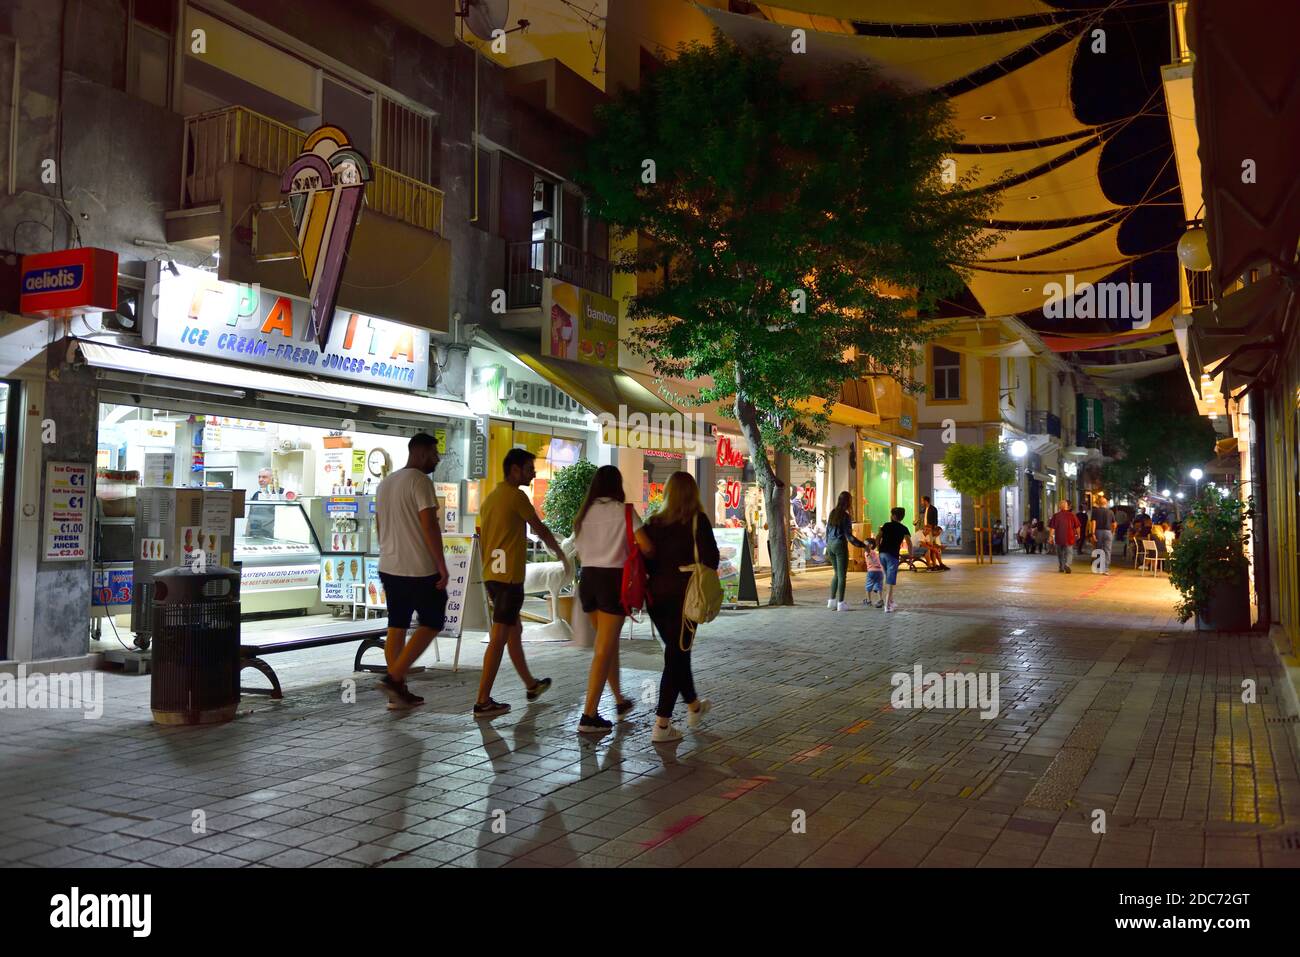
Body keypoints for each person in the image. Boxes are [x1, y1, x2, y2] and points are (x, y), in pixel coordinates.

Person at [474, 448, 570, 718]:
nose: (534, 472)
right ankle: (482, 701)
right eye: (529, 468)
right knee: (499, 638)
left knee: (514, 633)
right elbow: (539, 527)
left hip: (493, 576)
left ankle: (531, 685)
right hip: (509, 580)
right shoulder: (516, 496)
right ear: (514, 470)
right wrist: (560, 553)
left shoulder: (491, 498)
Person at [638, 471, 720, 743]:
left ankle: (694, 707)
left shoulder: (653, 523)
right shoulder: (698, 521)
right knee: (676, 656)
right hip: (686, 598)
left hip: (656, 599)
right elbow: (712, 558)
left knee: (677, 652)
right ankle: (662, 725)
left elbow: (645, 560)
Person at [373, 433, 448, 710]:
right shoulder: (420, 481)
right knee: (433, 621)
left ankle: (397, 694)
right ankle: (394, 678)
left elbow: (379, 526)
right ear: (419, 453)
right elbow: (429, 525)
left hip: (389, 566)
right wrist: (441, 565)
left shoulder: (386, 484)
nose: (436, 458)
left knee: (397, 624)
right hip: (418, 567)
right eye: (433, 452)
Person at [572, 465, 647, 733]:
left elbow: (579, 551)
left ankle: (618, 699)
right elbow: (646, 545)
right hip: (613, 581)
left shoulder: (584, 514)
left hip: (588, 581)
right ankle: (589, 715)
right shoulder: (624, 511)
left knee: (608, 642)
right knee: (603, 649)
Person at [825, 491, 867, 611]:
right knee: (842, 575)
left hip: (830, 544)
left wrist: (828, 545)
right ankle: (841, 603)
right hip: (839, 545)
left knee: (836, 574)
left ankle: (831, 601)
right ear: (848, 502)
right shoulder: (845, 516)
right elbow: (849, 536)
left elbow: (827, 531)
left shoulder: (833, 513)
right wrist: (863, 545)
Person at [876, 507, 912, 613]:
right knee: (890, 581)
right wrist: (910, 557)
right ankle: (887, 606)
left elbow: (877, 538)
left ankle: (890, 601)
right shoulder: (903, 528)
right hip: (893, 556)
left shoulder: (886, 525)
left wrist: (879, 548)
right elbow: (909, 543)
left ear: (893, 516)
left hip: (882, 554)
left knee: (887, 577)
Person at [1046, 500, 1081, 574]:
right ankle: (1067, 564)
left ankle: (1061, 567)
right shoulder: (1072, 515)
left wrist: (1050, 537)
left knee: (1060, 553)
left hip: (1059, 538)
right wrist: (1078, 534)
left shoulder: (1056, 515)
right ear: (1067, 507)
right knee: (1069, 553)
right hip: (1069, 537)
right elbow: (1077, 526)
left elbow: (1052, 528)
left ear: (1059, 507)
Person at [1088, 494, 1117, 575]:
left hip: (1098, 532)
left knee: (1098, 549)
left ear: (1098, 503)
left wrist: (1093, 533)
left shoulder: (1095, 511)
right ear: (1106, 503)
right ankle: (1106, 569)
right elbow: (1114, 524)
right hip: (1108, 532)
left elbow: (1093, 522)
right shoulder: (1110, 512)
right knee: (1107, 551)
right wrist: (1113, 532)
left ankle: (1098, 568)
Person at [861, 538, 884, 607]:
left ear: (870, 545)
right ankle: (880, 600)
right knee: (879, 586)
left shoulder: (867, 552)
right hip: (880, 571)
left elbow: (869, 558)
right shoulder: (875, 552)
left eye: (865, 544)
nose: (863, 545)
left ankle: (868, 601)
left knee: (868, 586)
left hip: (871, 571)